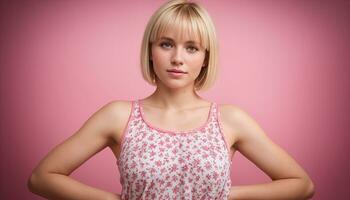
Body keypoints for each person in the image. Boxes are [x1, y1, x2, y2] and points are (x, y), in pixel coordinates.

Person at [27, 0, 315, 199]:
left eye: (191, 48)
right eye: (166, 44)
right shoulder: (119, 116)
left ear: (205, 58)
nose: (177, 58)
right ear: (151, 50)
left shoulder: (229, 120)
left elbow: (301, 185)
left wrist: (227, 195)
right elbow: (42, 178)